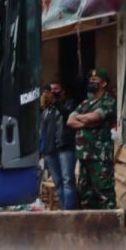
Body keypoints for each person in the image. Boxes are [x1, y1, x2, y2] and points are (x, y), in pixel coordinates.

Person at [68, 68, 117, 210]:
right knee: (85, 192)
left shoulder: (108, 102)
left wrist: (84, 119)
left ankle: (109, 226)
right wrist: (87, 122)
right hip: (84, 154)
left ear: (104, 83)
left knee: (104, 190)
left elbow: (95, 117)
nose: (91, 82)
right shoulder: (85, 103)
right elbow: (70, 121)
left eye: (95, 80)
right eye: (90, 80)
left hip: (99, 155)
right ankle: (90, 226)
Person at [40, 82, 77, 210]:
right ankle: (64, 208)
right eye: (52, 90)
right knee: (58, 182)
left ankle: (70, 211)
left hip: (65, 147)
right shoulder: (47, 110)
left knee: (68, 181)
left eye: (57, 89)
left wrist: (56, 102)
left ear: (63, 91)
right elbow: (43, 132)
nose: (54, 92)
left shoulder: (69, 104)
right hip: (50, 150)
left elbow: (67, 114)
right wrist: (42, 150)